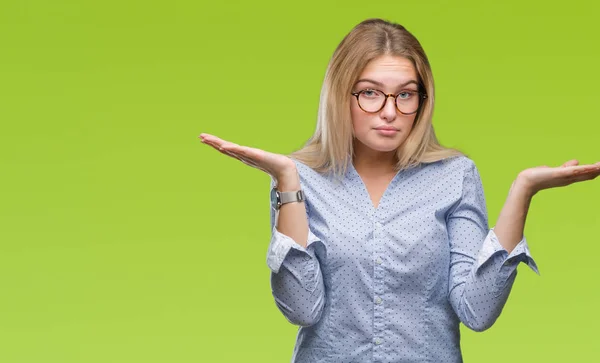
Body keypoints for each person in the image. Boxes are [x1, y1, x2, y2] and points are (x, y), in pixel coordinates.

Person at [199, 18, 599, 363]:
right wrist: (287, 182)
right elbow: (302, 308)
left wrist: (523, 190)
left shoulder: (454, 176)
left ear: (422, 102)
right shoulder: (300, 179)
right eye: (371, 92)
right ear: (341, 95)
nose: (390, 112)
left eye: (405, 94)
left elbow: (476, 311)